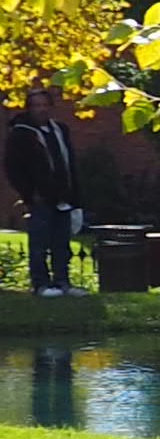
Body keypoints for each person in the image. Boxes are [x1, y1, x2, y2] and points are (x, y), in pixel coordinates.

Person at [5, 87, 79, 295]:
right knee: (39, 244)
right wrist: (29, 194)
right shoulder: (21, 133)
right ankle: (41, 284)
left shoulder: (59, 130)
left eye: (45, 105)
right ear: (29, 109)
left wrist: (76, 197)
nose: (42, 110)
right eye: (37, 106)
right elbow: (13, 168)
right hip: (40, 198)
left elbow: (68, 163)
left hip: (63, 195)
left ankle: (63, 282)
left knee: (61, 244)